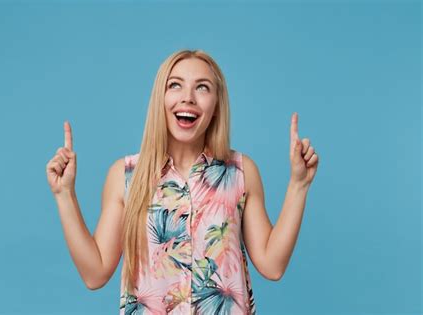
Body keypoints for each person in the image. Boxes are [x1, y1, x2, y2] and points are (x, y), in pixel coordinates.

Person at [46, 49, 319, 314]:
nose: (187, 98)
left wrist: (299, 185)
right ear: (160, 99)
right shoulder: (125, 175)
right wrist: (64, 195)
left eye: (202, 88)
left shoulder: (241, 173)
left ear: (215, 107)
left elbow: (272, 266)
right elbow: (95, 274)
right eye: (175, 85)